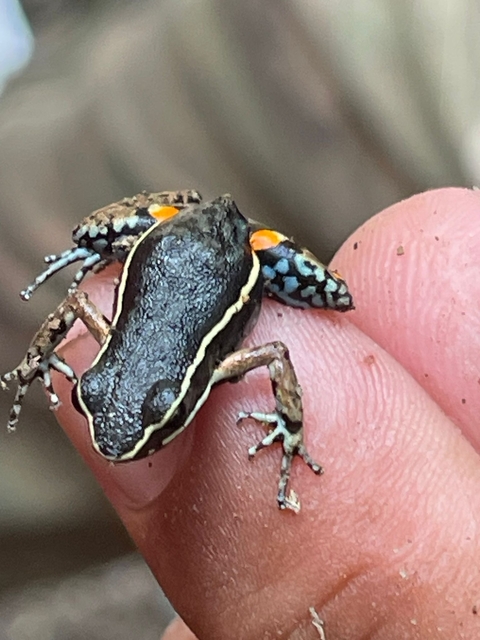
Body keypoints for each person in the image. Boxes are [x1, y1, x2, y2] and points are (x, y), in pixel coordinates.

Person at [51, 187, 480, 638]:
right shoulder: (112, 348)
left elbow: (276, 352)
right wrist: (38, 358)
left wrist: (290, 426)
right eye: (87, 395)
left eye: (162, 419)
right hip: (170, 231)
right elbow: (79, 300)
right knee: (86, 236)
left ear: (186, 395)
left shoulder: (219, 367)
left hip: (239, 248)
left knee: (334, 294)